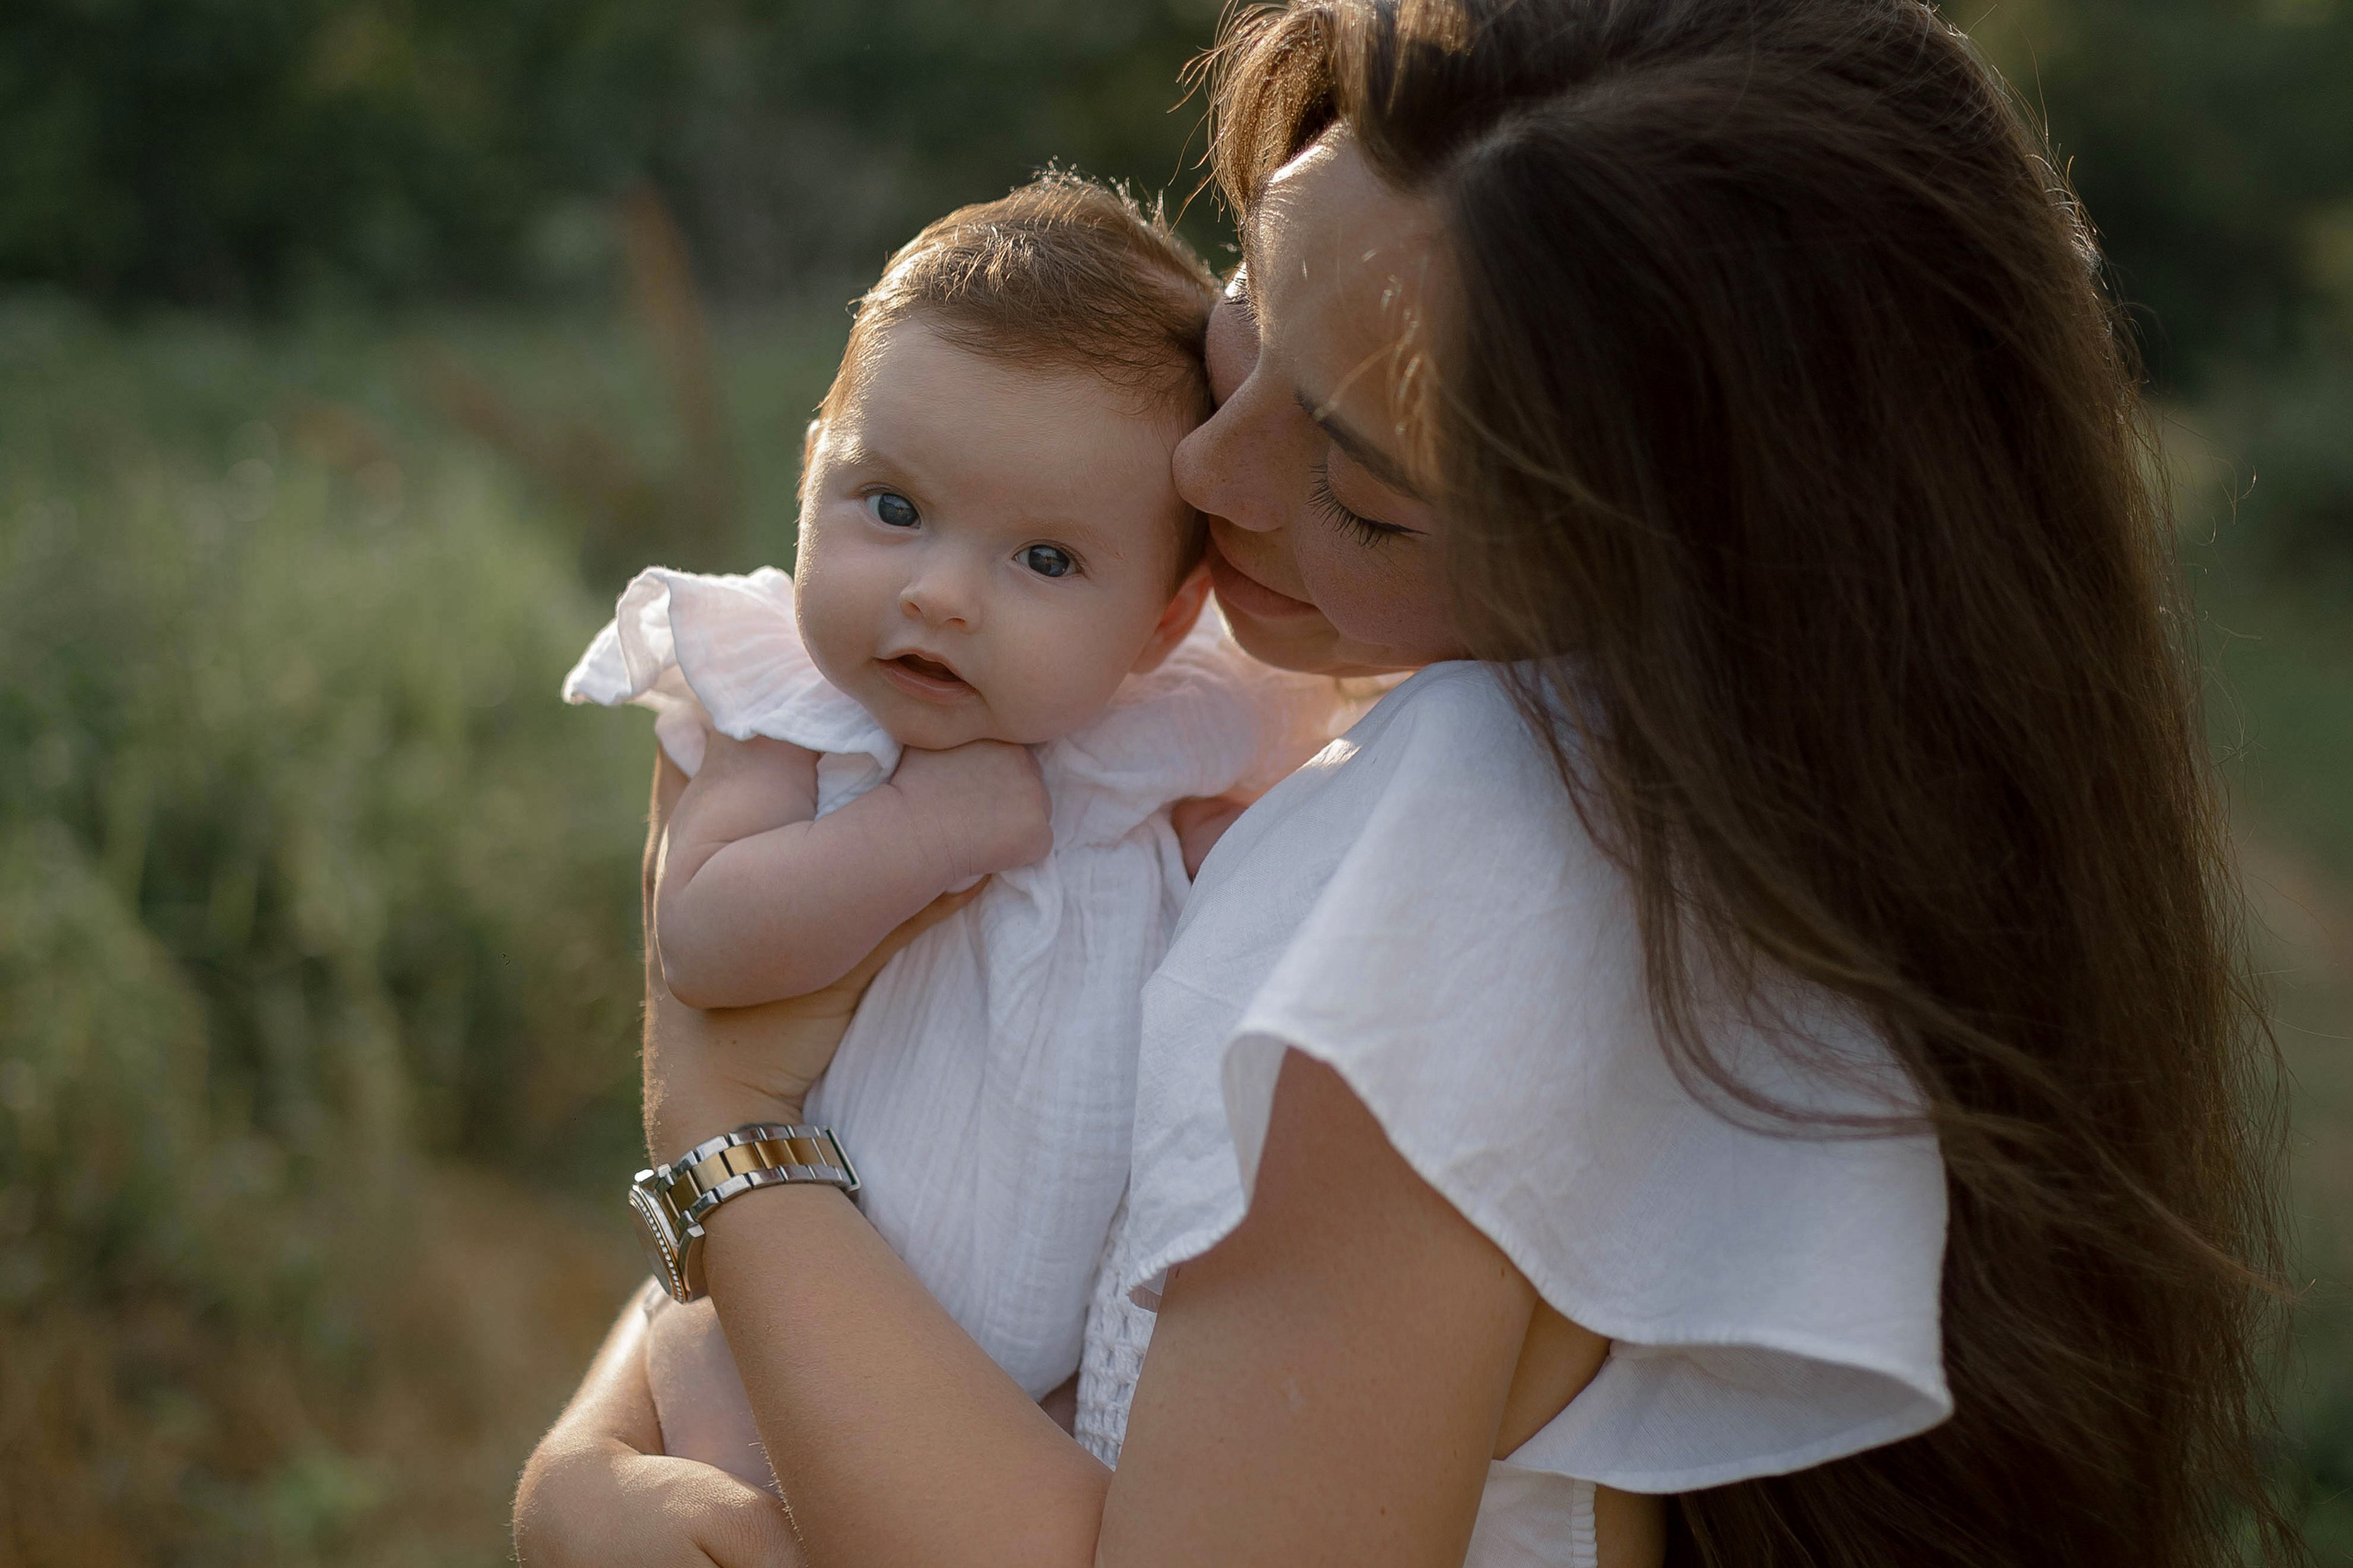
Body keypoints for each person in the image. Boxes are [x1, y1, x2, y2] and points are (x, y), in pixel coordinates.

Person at [516, 2, 2290, 1564]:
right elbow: (942, 1126)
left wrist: (724, 1129)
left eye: (1362, 489)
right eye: (1246, 322)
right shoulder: (1571, 762)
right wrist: (599, 1449)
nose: (1210, 467)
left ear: (1687, 571)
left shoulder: (1454, 848)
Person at [560, 175, 1340, 1488]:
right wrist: (920, 828)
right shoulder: (795, 709)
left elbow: (1293, 789)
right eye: (894, 507)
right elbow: (703, 935)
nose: (937, 594)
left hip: (1052, 1378)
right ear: (812, 473)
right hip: (785, 1333)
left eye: (1044, 560)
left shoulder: (1160, 723)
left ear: (1161, 619)